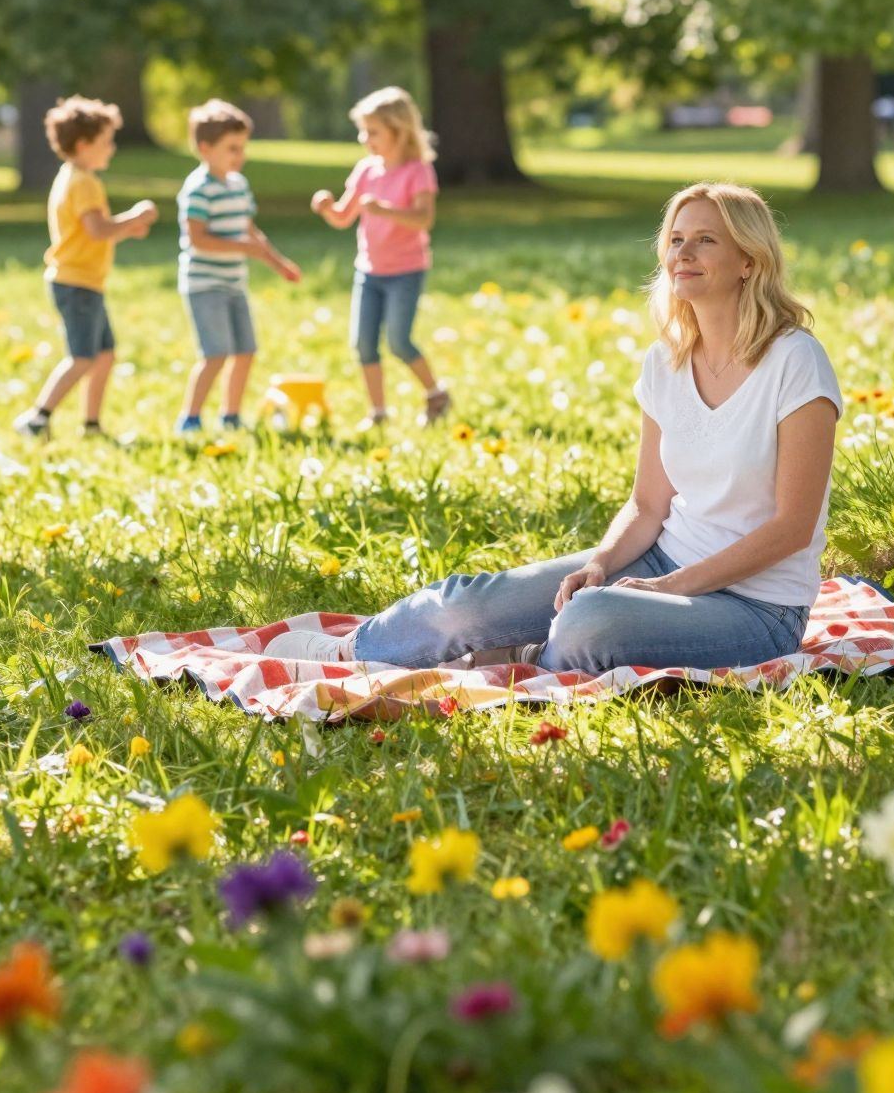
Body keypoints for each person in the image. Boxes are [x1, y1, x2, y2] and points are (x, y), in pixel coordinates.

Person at [317, 181, 841, 674]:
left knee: (588, 624)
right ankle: (351, 650)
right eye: (676, 239)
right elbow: (647, 505)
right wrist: (601, 563)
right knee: (470, 602)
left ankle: (522, 657)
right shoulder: (666, 363)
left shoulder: (794, 361)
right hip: (661, 559)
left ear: (749, 260)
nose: (683, 253)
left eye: (706, 241)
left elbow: (792, 528)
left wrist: (669, 588)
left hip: (757, 607)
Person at [14, 96, 158, 440]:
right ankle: (37, 418)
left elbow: (90, 234)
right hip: (77, 283)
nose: (111, 148)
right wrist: (135, 217)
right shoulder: (84, 183)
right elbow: (98, 230)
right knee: (82, 357)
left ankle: (91, 425)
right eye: (106, 142)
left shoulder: (72, 177)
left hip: (84, 281)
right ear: (83, 144)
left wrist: (124, 229)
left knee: (104, 355)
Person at [310, 86, 450, 429]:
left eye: (373, 132)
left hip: (406, 270)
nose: (364, 138)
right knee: (363, 344)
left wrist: (386, 210)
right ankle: (378, 412)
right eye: (363, 131)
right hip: (369, 271)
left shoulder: (418, 172)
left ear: (399, 131)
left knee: (400, 342)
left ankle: (435, 393)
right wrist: (328, 209)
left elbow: (423, 219)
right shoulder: (365, 171)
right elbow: (344, 217)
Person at [175, 99, 301, 436]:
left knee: (245, 351)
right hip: (205, 284)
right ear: (205, 148)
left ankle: (230, 416)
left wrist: (277, 262)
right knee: (215, 354)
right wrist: (242, 248)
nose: (239, 155)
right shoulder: (198, 189)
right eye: (231, 148)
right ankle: (190, 418)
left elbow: (250, 230)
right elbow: (197, 238)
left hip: (233, 282)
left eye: (242, 147)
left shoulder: (238, 185)